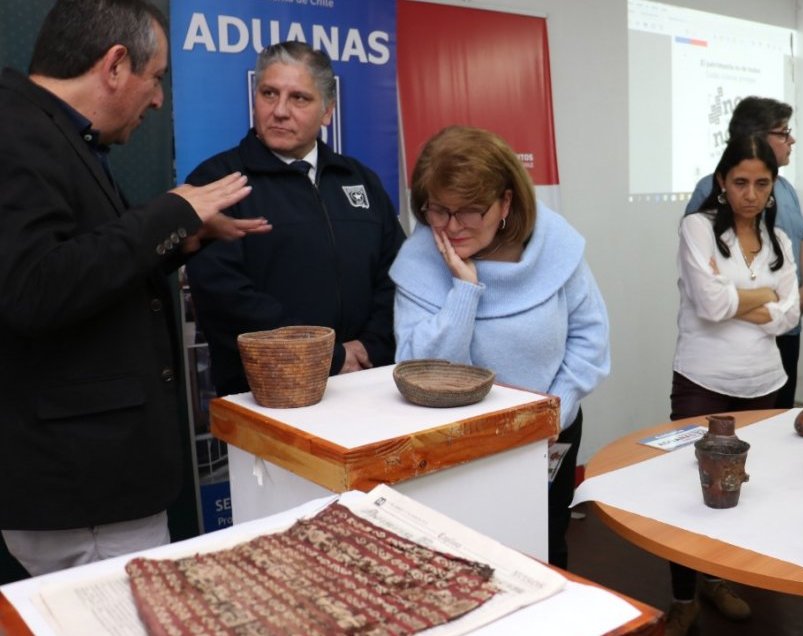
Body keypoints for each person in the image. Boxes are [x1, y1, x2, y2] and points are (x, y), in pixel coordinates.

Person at [0, 0, 266, 576]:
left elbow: (89, 269)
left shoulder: (53, 131)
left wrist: (185, 237)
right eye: (157, 79)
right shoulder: (16, 133)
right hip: (84, 491)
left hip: (96, 482)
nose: (159, 99)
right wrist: (171, 212)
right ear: (115, 65)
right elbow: (31, 289)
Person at [390, 126, 611, 570]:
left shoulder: (555, 245)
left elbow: (591, 339)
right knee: (465, 561)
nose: (451, 227)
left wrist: (554, 411)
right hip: (456, 447)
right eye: (438, 210)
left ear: (505, 202)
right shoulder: (419, 260)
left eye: (469, 211)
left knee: (546, 549)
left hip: (551, 430)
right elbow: (420, 372)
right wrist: (464, 292)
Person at [184, 41, 405, 397]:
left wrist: (369, 347)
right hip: (266, 397)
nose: (280, 110)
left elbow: (396, 274)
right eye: (269, 93)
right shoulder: (216, 182)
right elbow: (225, 298)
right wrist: (330, 358)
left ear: (328, 111)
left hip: (365, 384)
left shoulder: (360, 179)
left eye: (299, 98)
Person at [667, 134, 800, 635]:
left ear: (773, 187)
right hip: (703, 378)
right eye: (740, 182)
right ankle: (684, 597)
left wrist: (740, 300)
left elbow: (787, 318)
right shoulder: (696, 229)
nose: (750, 193)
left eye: (762, 184)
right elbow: (709, 305)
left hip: (763, 381)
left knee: (746, 487)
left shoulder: (780, 242)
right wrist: (761, 296)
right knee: (689, 486)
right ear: (722, 182)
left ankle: (720, 580)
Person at [687, 96, 803, 409]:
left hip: (784, 332)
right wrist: (771, 301)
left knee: (779, 426)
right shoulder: (711, 190)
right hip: (734, 342)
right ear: (756, 138)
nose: (791, 140)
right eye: (783, 133)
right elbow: (710, 286)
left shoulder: (784, 188)